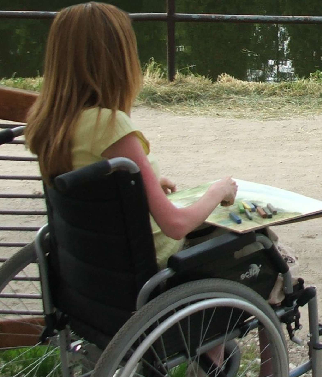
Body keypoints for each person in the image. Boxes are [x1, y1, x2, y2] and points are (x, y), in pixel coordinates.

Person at [24, 2, 238, 269]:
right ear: (119, 59)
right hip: (150, 263)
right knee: (259, 241)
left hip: (93, 264)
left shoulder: (49, 121)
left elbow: (88, 183)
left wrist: (137, 188)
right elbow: (175, 225)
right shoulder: (109, 127)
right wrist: (217, 191)